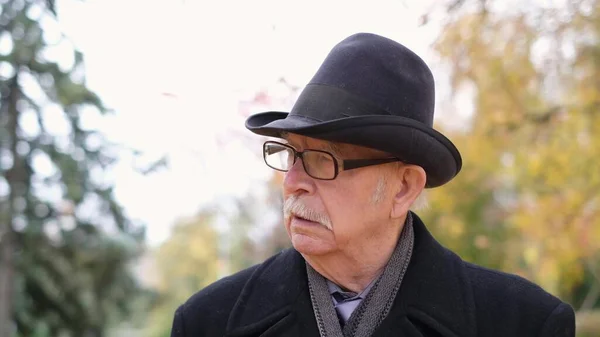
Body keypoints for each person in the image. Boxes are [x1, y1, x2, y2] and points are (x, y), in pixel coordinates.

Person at [170, 33, 575, 337]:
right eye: (291, 155)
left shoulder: (523, 322)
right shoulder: (209, 321)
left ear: (404, 188)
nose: (293, 182)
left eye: (320, 160)